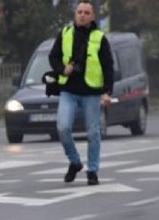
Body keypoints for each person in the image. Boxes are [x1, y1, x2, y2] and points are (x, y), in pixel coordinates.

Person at [48, 2, 114, 186]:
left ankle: (92, 171)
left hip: (91, 92)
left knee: (93, 132)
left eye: (86, 13)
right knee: (63, 128)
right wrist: (63, 69)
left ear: (93, 17)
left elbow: (108, 67)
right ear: (75, 15)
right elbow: (53, 57)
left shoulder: (100, 38)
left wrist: (107, 92)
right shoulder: (65, 34)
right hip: (69, 90)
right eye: (79, 12)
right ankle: (75, 162)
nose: (82, 15)